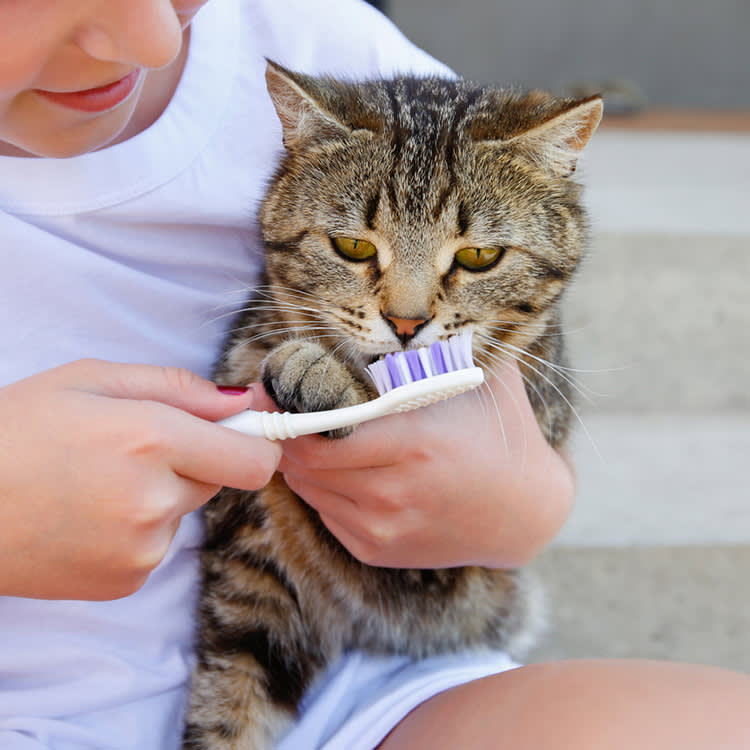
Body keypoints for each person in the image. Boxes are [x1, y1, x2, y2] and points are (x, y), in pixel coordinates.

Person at [1, 1, 748, 749]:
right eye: (360, 253)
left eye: (474, 259)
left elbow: (532, 470)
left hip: (379, 690)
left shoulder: (319, 38)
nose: (408, 312)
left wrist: (523, 506)